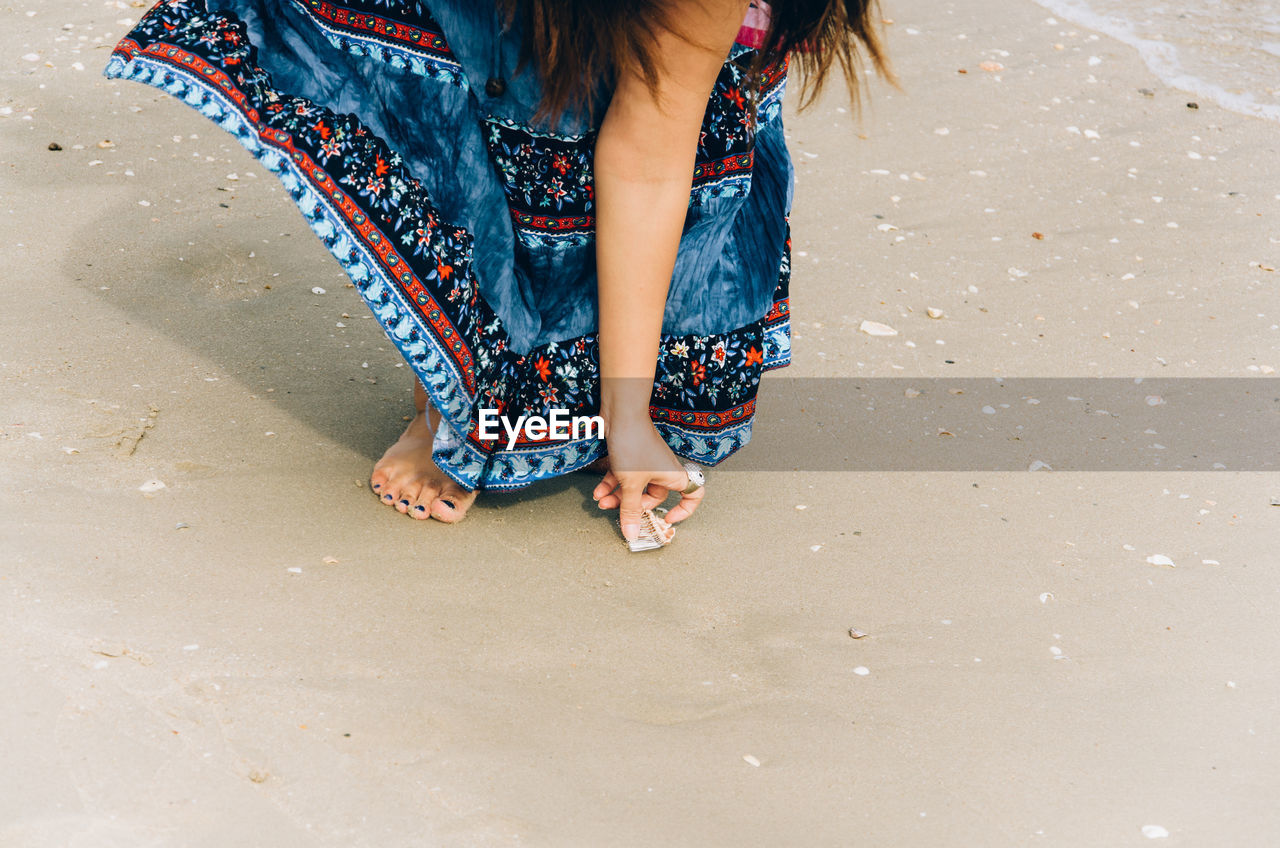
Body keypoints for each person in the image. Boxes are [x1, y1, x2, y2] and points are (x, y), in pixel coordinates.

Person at [103, 0, 888, 549]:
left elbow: (652, 157)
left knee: (686, 389)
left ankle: (576, 382)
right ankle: (446, 390)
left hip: (657, 62)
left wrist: (628, 413)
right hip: (469, 31)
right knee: (464, 93)